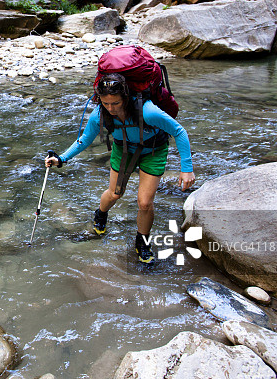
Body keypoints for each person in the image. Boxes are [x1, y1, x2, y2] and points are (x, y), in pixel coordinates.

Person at [45, 73, 195, 263]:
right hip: (123, 149)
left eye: (115, 103)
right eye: (106, 103)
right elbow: (84, 140)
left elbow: (179, 131)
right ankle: (100, 214)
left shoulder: (148, 111)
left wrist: (186, 168)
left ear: (125, 96)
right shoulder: (100, 113)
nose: (111, 108)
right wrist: (61, 159)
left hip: (153, 150)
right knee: (115, 193)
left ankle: (142, 242)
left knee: (145, 203)